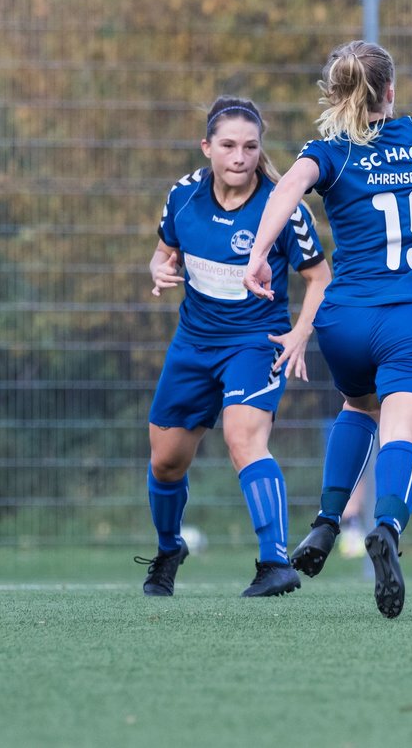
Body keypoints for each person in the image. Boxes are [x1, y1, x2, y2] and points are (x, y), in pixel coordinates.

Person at [243, 40, 412, 619]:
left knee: (357, 405)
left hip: (344, 320)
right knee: (402, 431)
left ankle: (325, 522)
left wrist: (259, 253)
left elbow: (289, 188)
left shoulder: (330, 152)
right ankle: (387, 528)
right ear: (391, 91)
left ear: (337, 94)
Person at [140, 95, 329, 598]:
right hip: (193, 345)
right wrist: (158, 268)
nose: (239, 156)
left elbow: (320, 278)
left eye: (249, 145)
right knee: (166, 462)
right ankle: (168, 549)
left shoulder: (281, 207)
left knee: (244, 439)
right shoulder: (182, 195)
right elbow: (163, 255)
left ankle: (274, 564)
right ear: (207, 148)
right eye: (227, 145)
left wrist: (300, 332)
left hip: (253, 342)